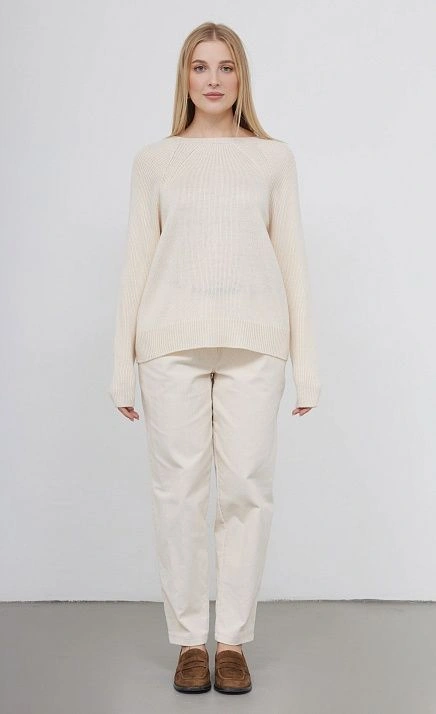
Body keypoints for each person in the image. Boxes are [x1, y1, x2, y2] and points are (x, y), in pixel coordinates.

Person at [109, 21, 321, 695]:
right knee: (178, 495)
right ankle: (186, 644)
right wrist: (121, 366)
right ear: (184, 76)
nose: (213, 79)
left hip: (255, 344)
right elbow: (136, 262)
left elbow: (293, 261)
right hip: (168, 344)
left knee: (248, 490)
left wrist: (307, 366)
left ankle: (230, 642)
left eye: (225, 67)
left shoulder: (273, 159)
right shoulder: (155, 162)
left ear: (241, 77)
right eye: (200, 66)